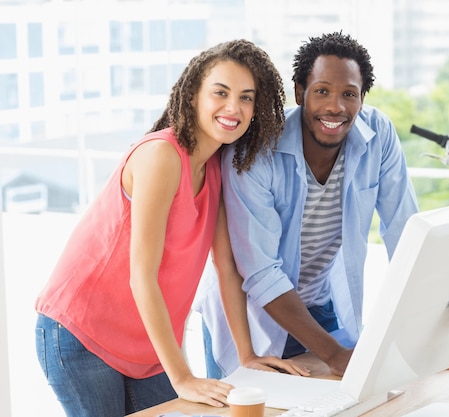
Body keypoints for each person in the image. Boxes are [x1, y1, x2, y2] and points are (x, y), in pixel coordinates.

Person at [34, 39, 291, 417]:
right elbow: (142, 276)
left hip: (146, 345)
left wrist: (246, 354)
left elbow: (227, 267)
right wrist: (183, 376)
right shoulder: (161, 157)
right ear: (192, 97)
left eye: (246, 97)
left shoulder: (218, 166)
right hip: (80, 332)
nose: (234, 107)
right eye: (220, 93)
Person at [196, 31, 419, 379]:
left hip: (320, 304)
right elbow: (261, 272)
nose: (335, 106)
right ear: (300, 92)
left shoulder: (379, 135)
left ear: (362, 98)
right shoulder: (254, 153)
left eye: (349, 94)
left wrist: (429, 336)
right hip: (252, 315)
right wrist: (334, 355)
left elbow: (406, 232)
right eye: (322, 91)